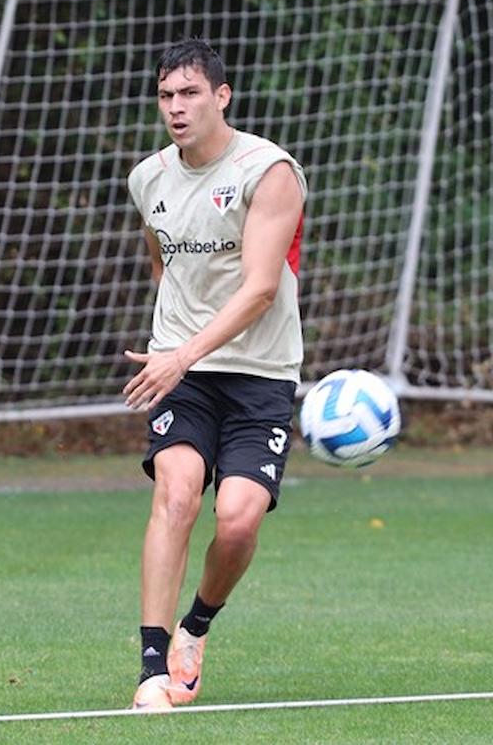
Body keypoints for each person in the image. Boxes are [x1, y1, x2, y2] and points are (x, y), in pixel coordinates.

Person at [122, 37, 307, 712]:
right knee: (176, 493)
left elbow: (260, 288)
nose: (176, 107)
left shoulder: (269, 170)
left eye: (190, 93)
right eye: (167, 95)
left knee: (236, 520)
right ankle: (150, 665)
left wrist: (182, 351)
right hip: (186, 369)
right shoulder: (148, 177)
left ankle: (195, 628)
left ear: (221, 97)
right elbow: (161, 255)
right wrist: (173, 346)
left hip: (259, 372)